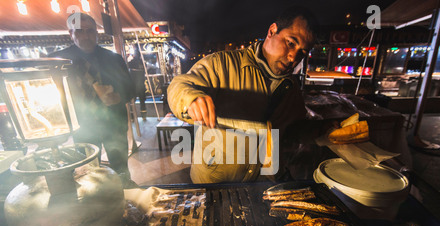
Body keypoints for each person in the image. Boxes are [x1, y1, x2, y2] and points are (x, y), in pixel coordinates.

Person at [168, 6, 319, 184]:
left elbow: (295, 130)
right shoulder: (222, 64)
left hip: (262, 184)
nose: (294, 57)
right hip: (215, 182)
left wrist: (324, 129)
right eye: (291, 43)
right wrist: (191, 98)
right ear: (272, 31)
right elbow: (179, 85)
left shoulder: (291, 88)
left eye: (302, 52)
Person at [49, 12, 137, 188]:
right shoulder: (58, 61)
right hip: (83, 125)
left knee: (120, 167)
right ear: (71, 33)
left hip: (113, 122)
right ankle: (98, 199)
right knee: (88, 171)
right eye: (80, 31)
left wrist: (117, 96)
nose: (86, 36)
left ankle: (124, 192)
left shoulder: (112, 58)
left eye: (90, 31)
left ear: (97, 33)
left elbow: (130, 89)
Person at [128, 45, 147, 120]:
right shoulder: (143, 63)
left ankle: (132, 117)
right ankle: (144, 116)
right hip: (141, 86)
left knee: (132, 102)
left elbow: (126, 66)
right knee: (142, 102)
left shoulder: (131, 62)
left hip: (134, 86)